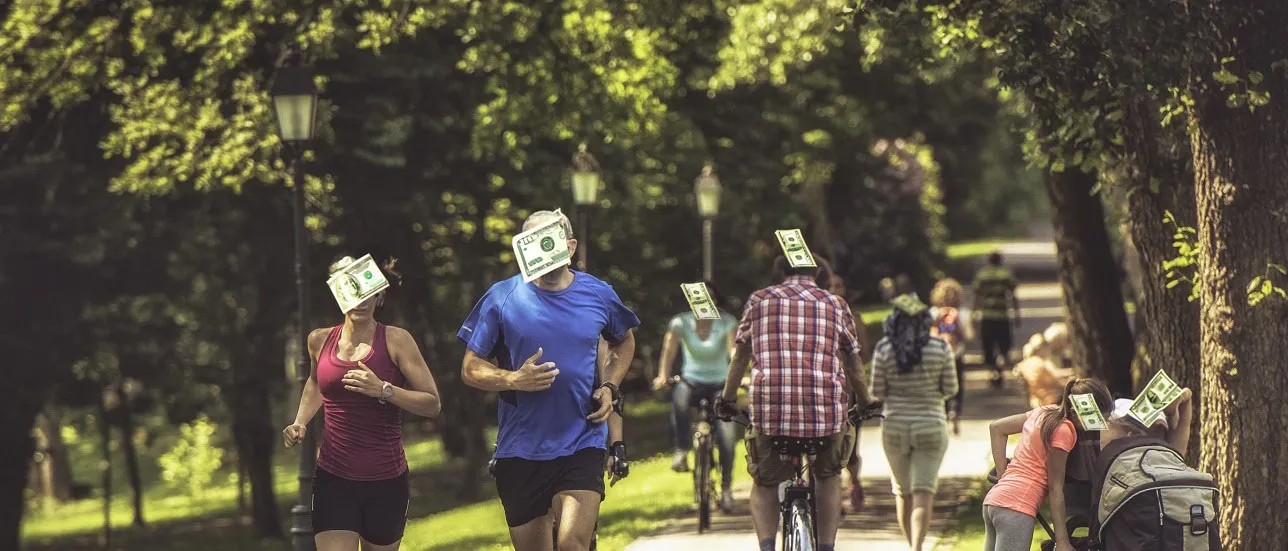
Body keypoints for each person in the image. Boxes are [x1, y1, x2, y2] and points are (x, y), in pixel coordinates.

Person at [458, 210, 640, 551]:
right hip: (520, 449)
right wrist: (513, 378)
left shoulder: (597, 293)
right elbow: (470, 368)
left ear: (570, 247)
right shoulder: (502, 297)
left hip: (582, 441)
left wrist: (610, 385)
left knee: (571, 544)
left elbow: (623, 339)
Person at [283, 256, 443, 551]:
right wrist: (299, 422)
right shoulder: (319, 340)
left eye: (370, 292)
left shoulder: (397, 340)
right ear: (339, 294)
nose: (361, 300)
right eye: (352, 290)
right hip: (334, 478)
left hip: (386, 480)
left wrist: (384, 390)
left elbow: (432, 404)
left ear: (381, 295)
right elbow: (317, 382)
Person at [718, 255, 871, 551]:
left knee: (764, 482)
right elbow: (853, 360)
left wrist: (726, 398)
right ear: (819, 275)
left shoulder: (759, 300)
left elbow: (740, 356)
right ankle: (826, 545)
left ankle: (766, 546)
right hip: (824, 412)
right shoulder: (836, 303)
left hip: (771, 412)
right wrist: (866, 400)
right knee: (827, 476)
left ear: (780, 272)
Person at [983, 378, 1113, 551]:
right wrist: (1062, 541)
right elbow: (1055, 490)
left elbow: (997, 428)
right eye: (1096, 419)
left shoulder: (1044, 412)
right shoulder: (1063, 430)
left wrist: (1002, 475)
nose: (1097, 427)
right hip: (1017, 508)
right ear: (1079, 410)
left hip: (994, 502)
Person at [870, 294, 958, 551]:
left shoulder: (884, 348)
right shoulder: (940, 348)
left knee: (903, 492)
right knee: (923, 493)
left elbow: (877, 390)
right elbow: (951, 388)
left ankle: (910, 545)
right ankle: (918, 548)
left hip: (895, 426)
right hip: (931, 424)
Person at [650, 280, 739, 511]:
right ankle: (681, 451)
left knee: (727, 438)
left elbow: (734, 351)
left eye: (709, 297)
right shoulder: (681, 322)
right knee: (679, 398)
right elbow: (669, 350)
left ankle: (727, 488)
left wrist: (739, 375)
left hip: (720, 383)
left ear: (715, 300)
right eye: (698, 297)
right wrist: (663, 376)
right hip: (692, 380)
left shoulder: (727, 322)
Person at [816, 259, 872, 514]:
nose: (836, 290)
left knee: (850, 444)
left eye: (839, 286)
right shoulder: (817, 315)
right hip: (825, 388)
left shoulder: (854, 317)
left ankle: (854, 481)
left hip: (848, 389)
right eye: (831, 286)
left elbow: (863, 353)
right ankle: (833, 494)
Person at [928, 278, 971, 436]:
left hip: (938, 355)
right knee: (958, 385)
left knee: (941, 386)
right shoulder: (963, 313)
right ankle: (956, 410)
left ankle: (944, 414)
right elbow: (969, 335)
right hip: (957, 354)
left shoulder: (932, 313)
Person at [972, 252, 1022, 388]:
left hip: (987, 316)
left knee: (988, 344)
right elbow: (1013, 295)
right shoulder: (1005, 274)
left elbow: (977, 296)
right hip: (1002, 316)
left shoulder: (982, 275)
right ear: (1000, 261)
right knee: (1003, 344)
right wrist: (1017, 313)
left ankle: (992, 370)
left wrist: (974, 314)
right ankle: (1000, 364)